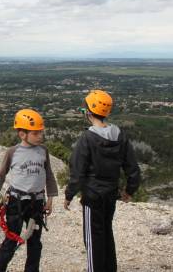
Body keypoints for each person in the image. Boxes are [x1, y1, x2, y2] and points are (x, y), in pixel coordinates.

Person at [64, 90, 141, 272]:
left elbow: (77, 171)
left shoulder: (87, 138)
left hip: (92, 196)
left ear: (89, 112)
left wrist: (69, 195)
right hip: (110, 195)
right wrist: (129, 190)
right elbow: (132, 167)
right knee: (106, 233)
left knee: (93, 239)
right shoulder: (119, 135)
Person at [0, 109, 58, 272]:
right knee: (12, 238)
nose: (40, 136)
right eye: (36, 133)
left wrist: (50, 198)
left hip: (37, 202)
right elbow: (0, 175)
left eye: (41, 132)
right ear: (22, 134)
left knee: (35, 242)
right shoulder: (12, 152)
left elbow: (48, 174)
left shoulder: (43, 151)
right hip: (16, 202)